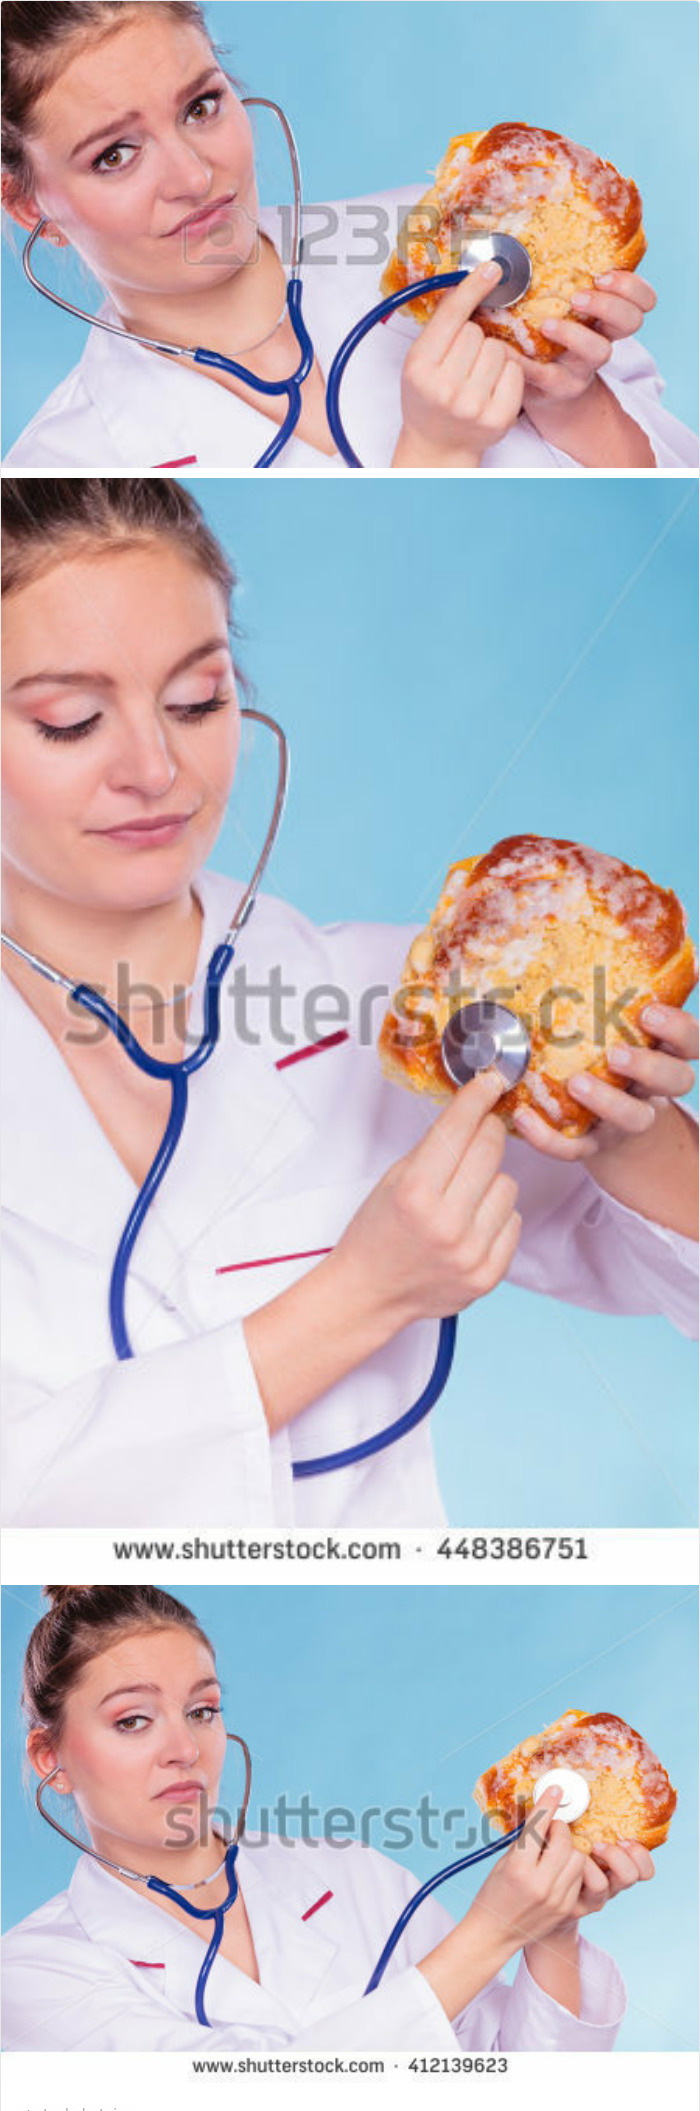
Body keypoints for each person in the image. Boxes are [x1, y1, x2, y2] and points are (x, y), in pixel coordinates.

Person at [2, 477, 697, 1528]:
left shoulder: (403, 1009)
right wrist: (365, 1292)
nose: (156, 768)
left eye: (198, 701)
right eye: (71, 721)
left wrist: (630, 1134)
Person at [1, 1, 696, 471]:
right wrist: (436, 453)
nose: (193, 174)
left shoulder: (449, 235)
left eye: (201, 106)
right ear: (30, 208)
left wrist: (572, 403)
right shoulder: (65, 463)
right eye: (114, 155)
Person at [3, 1584, 655, 2053]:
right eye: (133, 1720)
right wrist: (491, 1933)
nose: (184, 1748)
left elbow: (528, 2101)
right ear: (49, 1756)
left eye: (202, 1710)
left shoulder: (349, 1873)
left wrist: (549, 1932)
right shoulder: (34, 1973)